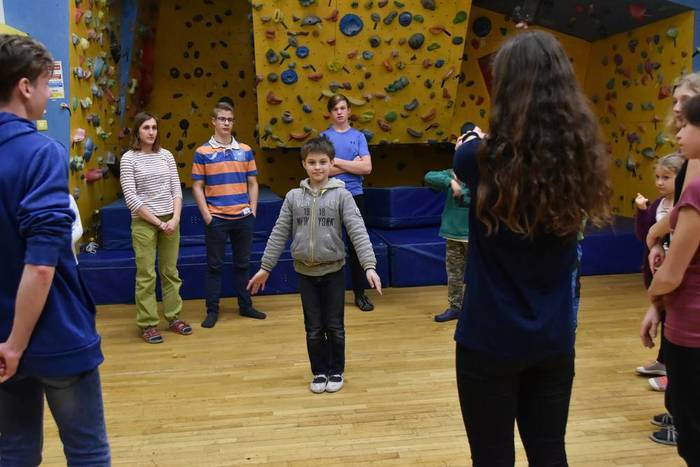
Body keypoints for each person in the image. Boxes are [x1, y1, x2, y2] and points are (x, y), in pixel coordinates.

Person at [452, 31, 611, 466]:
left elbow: (469, 154)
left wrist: (476, 139)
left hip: (489, 339)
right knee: (548, 451)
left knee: (491, 457)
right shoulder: (580, 158)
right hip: (552, 339)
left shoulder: (476, 157)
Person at [0, 34, 110, 465]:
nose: (50, 95)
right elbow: (41, 266)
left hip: (3, 341)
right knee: (87, 453)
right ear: (25, 87)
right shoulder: (42, 153)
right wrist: (16, 344)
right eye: (47, 85)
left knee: (14, 451)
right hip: (54, 334)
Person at [247, 136, 381, 393]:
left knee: (335, 326)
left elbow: (358, 232)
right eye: (312, 162)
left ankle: (336, 370)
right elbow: (279, 232)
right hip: (305, 273)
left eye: (322, 162)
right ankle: (319, 371)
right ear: (304, 165)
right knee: (314, 328)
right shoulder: (293, 197)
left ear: (331, 164)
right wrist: (265, 267)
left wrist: (369, 266)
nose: (317, 167)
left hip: (334, 272)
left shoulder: (342, 196)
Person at [642, 93, 700, 466]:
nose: (679, 134)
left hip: (692, 327)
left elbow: (672, 274)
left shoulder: (696, 189)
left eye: (688, 125)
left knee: (692, 435)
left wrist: (654, 301)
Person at [120, 111, 192, 343]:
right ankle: (148, 324)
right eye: (146, 128)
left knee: (170, 271)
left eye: (154, 127)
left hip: (171, 220)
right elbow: (131, 198)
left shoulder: (166, 156)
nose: (151, 132)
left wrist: (175, 218)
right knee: (146, 275)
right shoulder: (128, 159)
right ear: (137, 131)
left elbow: (176, 190)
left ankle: (173, 317)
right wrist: (159, 223)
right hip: (144, 223)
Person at [193, 101, 265, 328]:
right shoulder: (202, 152)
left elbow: (253, 183)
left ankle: (245, 305)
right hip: (216, 218)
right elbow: (197, 186)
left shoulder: (245, 150)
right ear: (213, 121)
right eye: (222, 119)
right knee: (214, 267)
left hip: (243, 218)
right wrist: (207, 215)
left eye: (230, 120)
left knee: (243, 264)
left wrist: (253, 210)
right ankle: (212, 311)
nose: (226, 123)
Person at [321, 94, 375, 312]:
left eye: (343, 108)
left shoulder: (359, 137)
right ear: (330, 113)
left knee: (356, 246)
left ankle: (360, 294)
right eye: (335, 109)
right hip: (330, 195)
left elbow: (367, 168)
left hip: (355, 196)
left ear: (349, 111)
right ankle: (330, 294)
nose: (340, 112)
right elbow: (323, 171)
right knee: (331, 246)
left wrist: (337, 162)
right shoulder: (324, 137)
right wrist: (352, 164)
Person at [634, 154, 683, 386]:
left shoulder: (686, 205)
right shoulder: (658, 205)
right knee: (665, 317)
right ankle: (664, 362)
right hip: (659, 272)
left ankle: (673, 371)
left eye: (666, 177)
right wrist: (643, 211)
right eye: (657, 177)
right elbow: (645, 235)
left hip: (679, 273)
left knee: (676, 320)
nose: (660, 182)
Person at [424, 168, 470, 322]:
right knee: (454, 274)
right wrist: (451, 181)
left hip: (475, 236)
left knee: (481, 275)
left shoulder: (483, 173)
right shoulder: (453, 173)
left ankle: (481, 309)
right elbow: (429, 177)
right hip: (453, 234)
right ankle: (455, 307)